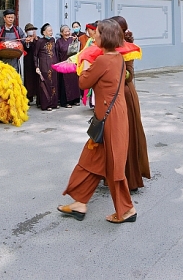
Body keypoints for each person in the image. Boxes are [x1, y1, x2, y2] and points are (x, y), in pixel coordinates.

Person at [58, 19, 136, 224]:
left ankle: (126, 209)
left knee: (113, 164)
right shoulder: (117, 58)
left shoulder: (103, 61)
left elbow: (84, 82)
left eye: (98, 34)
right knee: (91, 158)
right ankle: (80, 202)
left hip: (109, 119)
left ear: (106, 37)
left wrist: (84, 62)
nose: (94, 37)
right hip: (112, 115)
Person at [111, 15, 150, 192]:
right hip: (113, 95)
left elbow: (129, 75)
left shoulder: (127, 49)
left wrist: (113, 68)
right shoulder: (109, 47)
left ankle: (129, 177)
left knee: (126, 135)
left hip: (125, 94)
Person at [0, 8, 25, 73]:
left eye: (12, 17)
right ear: (4, 18)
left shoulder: (17, 30)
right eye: (9, 17)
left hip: (14, 59)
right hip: (1, 58)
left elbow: (24, 41)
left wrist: (27, 41)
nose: (11, 19)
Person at [55, 25, 82, 107]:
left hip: (72, 63)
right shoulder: (59, 41)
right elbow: (57, 53)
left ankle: (75, 100)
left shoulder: (72, 39)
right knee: (65, 83)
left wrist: (76, 41)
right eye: (65, 32)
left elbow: (77, 50)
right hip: (63, 63)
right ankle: (65, 102)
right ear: (61, 33)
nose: (67, 33)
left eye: (68, 31)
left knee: (74, 82)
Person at [34, 23, 59, 111]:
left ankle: (53, 103)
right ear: (44, 32)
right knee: (45, 83)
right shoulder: (40, 41)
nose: (51, 32)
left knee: (54, 83)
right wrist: (36, 66)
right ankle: (46, 104)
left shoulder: (53, 40)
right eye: (49, 31)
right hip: (44, 65)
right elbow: (35, 55)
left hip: (53, 65)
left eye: (51, 31)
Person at [22, 23, 39, 105]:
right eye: (29, 30)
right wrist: (28, 41)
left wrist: (35, 39)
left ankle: (38, 96)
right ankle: (29, 96)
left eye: (32, 30)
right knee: (28, 78)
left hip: (37, 60)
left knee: (37, 78)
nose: (31, 31)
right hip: (28, 61)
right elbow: (25, 47)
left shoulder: (37, 39)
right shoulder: (24, 39)